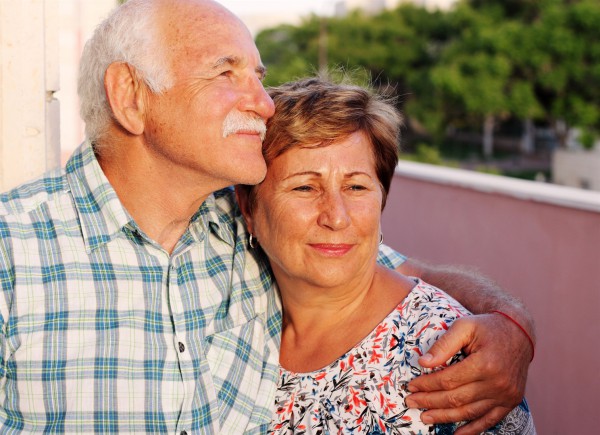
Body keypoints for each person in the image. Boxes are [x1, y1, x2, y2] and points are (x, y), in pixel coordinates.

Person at [0, 0, 533, 433]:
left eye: (258, 74)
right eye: (225, 72)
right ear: (131, 96)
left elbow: (389, 270)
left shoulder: (243, 230)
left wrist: (511, 324)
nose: (263, 103)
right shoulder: (12, 252)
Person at [235, 77, 536, 434]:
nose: (336, 216)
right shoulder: (238, 330)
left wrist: (513, 319)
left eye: (356, 187)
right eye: (304, 187)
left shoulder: (448, 353)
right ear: (248, 208)